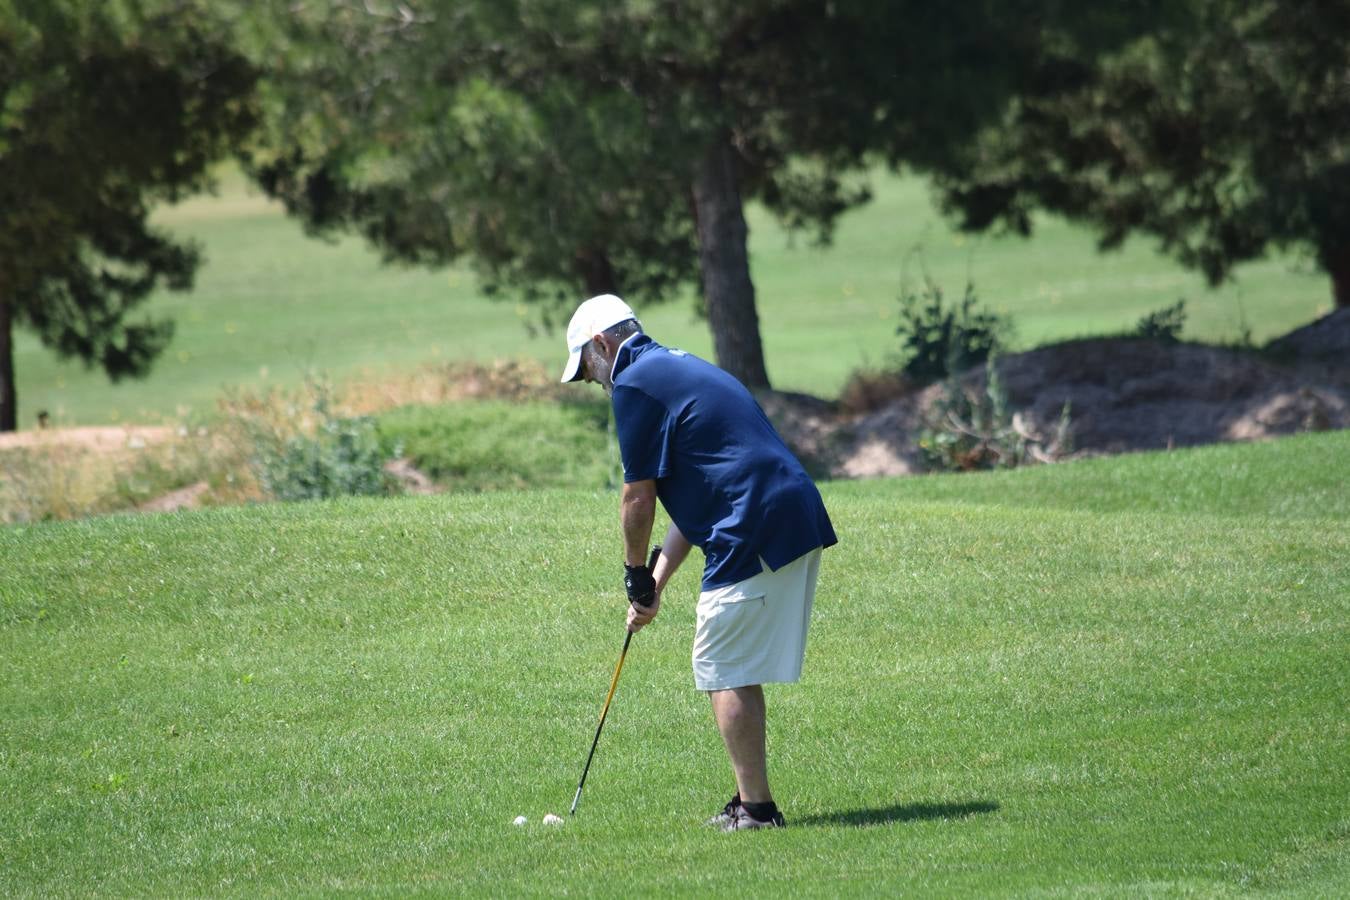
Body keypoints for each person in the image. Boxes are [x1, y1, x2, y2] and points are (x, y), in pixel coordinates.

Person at [560, 293, 837, 831]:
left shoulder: (635, 385)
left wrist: (634, 573)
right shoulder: (676, 366)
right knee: (731, 663)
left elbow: (637, 498)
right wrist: (656, 585)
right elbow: (694, 497)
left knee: (722, 665)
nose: (592, 382)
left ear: (601, 344)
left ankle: (757, 810)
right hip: (781, 511)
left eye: (587, 369)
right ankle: (748, 798)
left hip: (753, 521)